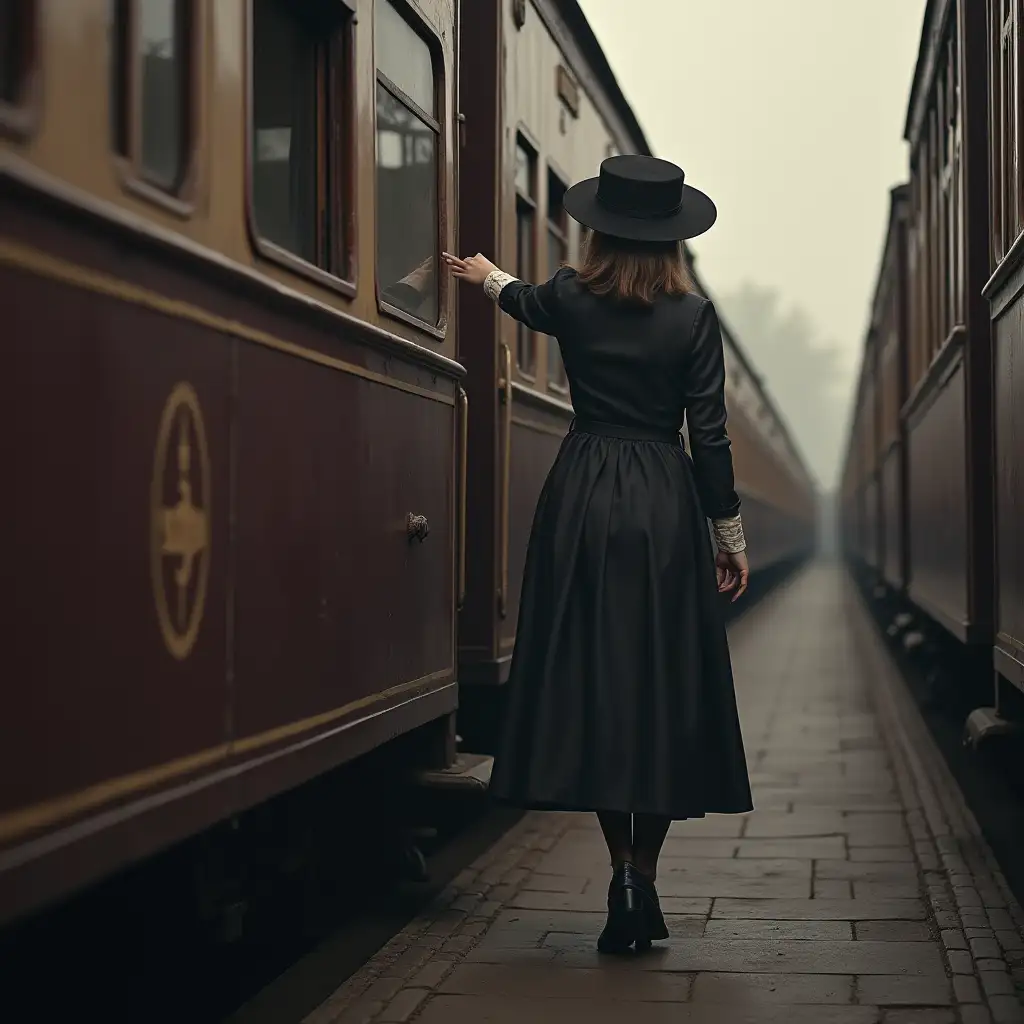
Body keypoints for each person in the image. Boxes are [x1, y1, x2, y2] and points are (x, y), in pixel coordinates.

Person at [442, 154, 753, 955]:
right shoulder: (692, 317)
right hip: (661, 503)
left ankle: (616, 869)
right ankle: (643, 877)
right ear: (673, 237)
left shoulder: (574, 298)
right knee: (659, 691)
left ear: (599, 231)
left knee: (601, 689)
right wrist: (728, 535)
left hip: (581, 493)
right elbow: (709, 435)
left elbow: (521, 300)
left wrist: (481, 275)